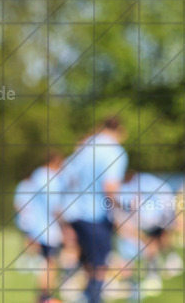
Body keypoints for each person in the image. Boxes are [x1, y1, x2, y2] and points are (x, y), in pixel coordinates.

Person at [60, 117, 128, 303]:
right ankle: (93, 298)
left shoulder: (84, 146)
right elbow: (110, 187)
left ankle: (86, 295)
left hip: (72, 212)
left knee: (87, 261)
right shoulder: (114, 150)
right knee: (99, 264)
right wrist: (123, 210)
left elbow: (66, 176)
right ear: (119, 129)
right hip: (94, 214)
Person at [28, 153, 65, 303]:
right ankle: (45, 297)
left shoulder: (37, 175)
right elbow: (54, 206)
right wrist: (65, 225)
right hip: (49, 229)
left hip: (38, 227)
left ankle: (42, 297)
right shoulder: (48, 178)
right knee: (50, 263)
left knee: (45, 262)